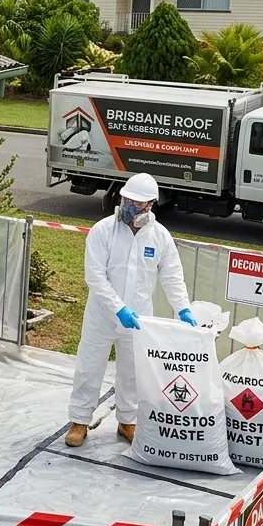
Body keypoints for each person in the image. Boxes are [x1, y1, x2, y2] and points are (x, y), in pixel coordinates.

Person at [65, 173, 197, 448]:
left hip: (138, 319)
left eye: (136, 203)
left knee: (132, 372)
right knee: (89, 367)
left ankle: (127, 421)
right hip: (102, 315)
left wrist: (183, 308)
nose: (127, 206)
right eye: (126, 199)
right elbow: (95, 278)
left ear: (149, 206)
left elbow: (172, 276)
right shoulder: (103, 230)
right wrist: (119, 308)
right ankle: (79, 421)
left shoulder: (160, 237)